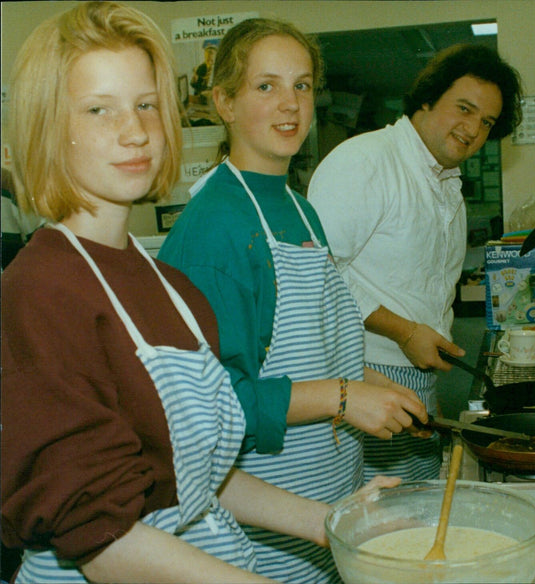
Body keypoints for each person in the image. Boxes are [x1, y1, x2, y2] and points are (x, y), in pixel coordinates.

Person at [0, 4, 399, 583]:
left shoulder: (167, 285)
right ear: (46, 127)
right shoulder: (38, 294)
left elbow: (195, 474)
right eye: (98, 110)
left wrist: (330, 519)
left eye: (145, 105)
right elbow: (103, 542)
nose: (135, 130)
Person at [157, 18, 429, 583]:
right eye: (266, 86)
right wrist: (344, 397)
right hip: (265, 531)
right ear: (223, 102)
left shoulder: (300, 209)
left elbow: (312, 350)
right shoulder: (216, 229)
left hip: (328, 494)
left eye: (302, 85)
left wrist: (373, 386)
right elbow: (213, 412)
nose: (290, 105)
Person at [308, 44, 524, 482]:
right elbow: (318, 273)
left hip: (416, 373)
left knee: (414, 512)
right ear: (427, 98)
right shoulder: (367, 161)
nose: (473, 130)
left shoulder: (444, 182)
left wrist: (428, 372)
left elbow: (422, 291)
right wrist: (405, 332)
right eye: (464, 109)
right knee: (375, 519)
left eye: (486, 122)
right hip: (364, 370)